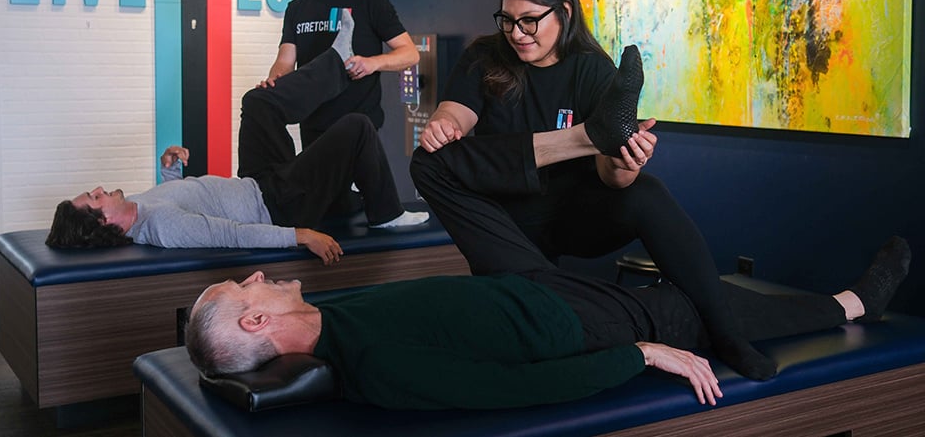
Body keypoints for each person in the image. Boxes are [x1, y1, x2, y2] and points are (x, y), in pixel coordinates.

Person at [408, 0, 772, 381]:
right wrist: (444, 124)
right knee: (432, 159)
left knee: (645, 191)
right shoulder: (485, 56)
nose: (516, 33)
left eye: (530, 21)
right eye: (507, 21)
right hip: (504, 224)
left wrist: (626, 160)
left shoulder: (592, 70)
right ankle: (587, 134)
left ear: (563, 12)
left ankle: (728, 336)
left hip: (571, 213)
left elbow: (612, 179)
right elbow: (458, 112)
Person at [185, 236, 911, 410]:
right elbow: (516, 390)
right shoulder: (376, 367)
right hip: (579, 326)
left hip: (539, 288)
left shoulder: (321, 313)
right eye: (246, 283)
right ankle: (853, 304)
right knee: (702, 304)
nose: (259, 273)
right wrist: (642, 353)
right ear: (256, 317)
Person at [45, 13, 428, 263]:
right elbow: (230, 233)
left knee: (258, 101)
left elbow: (188, 201)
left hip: (258, 183)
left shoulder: (137, 207)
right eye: (94, 198)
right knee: (356, 126)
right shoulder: (163, 227)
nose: (98, 188)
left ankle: (334, 61)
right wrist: (300, 236)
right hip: (280, 206)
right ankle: (386, 215)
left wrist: (171, 172)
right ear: (108, 225)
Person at [260, 0, 420, 213]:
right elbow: (285, 61)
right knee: (326, 210)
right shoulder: (297, 9)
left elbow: (410, 54)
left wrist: (372, 63)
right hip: (313, 126)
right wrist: (275, 82)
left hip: (358, 124)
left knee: (358, 209)